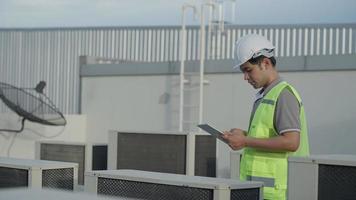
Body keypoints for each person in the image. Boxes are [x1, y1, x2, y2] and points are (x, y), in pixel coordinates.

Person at [222, 34, 310, 200]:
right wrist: (244, 135)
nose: (245, 77)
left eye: (248, 70)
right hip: (265, 192)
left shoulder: (283, 95)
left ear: (265, 63)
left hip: (280, 193)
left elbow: (291, 142)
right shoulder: (266, 95)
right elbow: (271, 136)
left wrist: (245, 141)